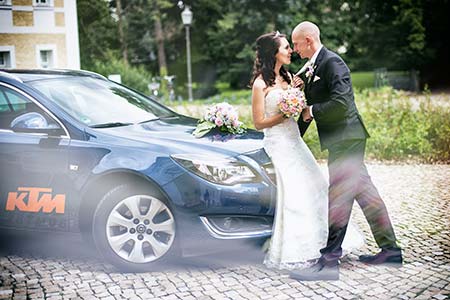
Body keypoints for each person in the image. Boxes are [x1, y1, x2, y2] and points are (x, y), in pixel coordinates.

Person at [289, 21, 402, 281]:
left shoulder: (332, 63)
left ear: (308, 40)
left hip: (348, 138)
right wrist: (295, 137)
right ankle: (391, 250)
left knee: (338, 197)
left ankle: (329, 261)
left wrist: (312, 111)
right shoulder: (310, 68)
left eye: (296, 43)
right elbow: (308, 106)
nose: (295, 49)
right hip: (341, 140)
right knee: (367, 194)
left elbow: (341, 102)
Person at [250, 31, 364, 271]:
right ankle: (301, 247)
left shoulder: (292, 77)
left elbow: (305, 107)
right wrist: (285, 114)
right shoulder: (260, 84)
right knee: (293, 196)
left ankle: (327, 247)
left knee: (316, 189)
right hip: (278, 144)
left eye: (291, 46)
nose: (290, 50)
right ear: (274, 53)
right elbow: (259, 122)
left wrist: (301, 102)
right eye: (285, 48)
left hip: (295, 143)